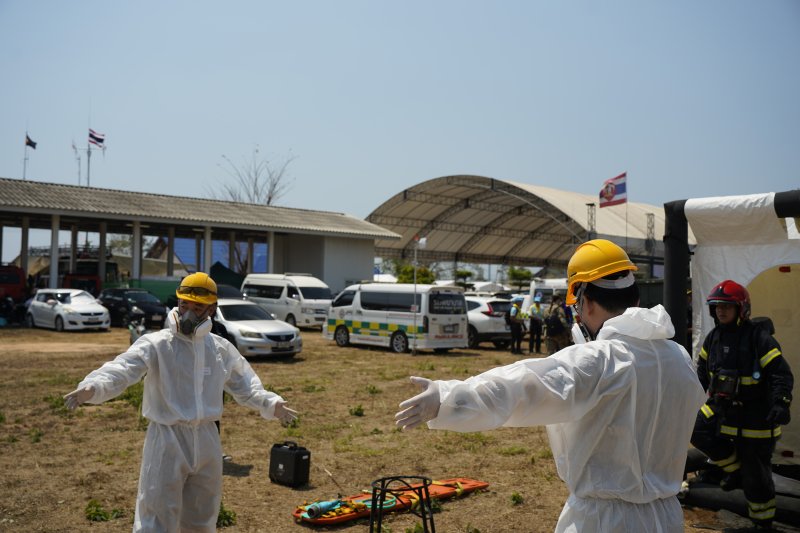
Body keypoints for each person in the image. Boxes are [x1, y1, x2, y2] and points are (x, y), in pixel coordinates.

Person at [395, 239, 706, 533]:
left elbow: (523, 386)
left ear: (585, 300)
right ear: (636, 299)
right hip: (666, 516)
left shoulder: (599, 360)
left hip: (603, 522)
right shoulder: (678, 358)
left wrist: (446, 398)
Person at [63, 272, 298, 532]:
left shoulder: (219, 349)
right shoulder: (157, 344)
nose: (188, 312)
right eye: (184, 304)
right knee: (156, 516)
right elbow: (123, 369)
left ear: (211, 310)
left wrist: (270, 403)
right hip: (167, 440)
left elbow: (246, 386)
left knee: (202, 517)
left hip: (208, 438)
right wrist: (94, 387)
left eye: (197, 307)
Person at [690, 280, 793, 531]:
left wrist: (780, 403)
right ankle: (734, 471)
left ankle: (762, 523)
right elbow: (700, 374)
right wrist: (687, 395)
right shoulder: (713, 338)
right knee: (696, 429)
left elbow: (781, 374)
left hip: (756, 416)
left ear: (741, 309)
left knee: (756, 476)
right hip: (723, 409)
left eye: (726, 306)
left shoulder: (760, 338)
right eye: (716, 307)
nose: (721, 311)